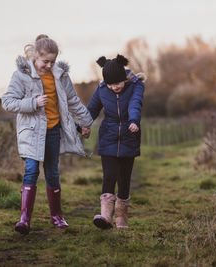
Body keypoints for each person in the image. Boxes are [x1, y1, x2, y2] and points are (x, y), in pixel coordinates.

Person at [1, 34, 93, 234]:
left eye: (52, 61)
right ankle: (24, 219)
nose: (49, 65)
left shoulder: (60, 76)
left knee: (52, 172)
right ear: (35, 56)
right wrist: (33, 103)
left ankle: (57, 217)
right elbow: (8, 102)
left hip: (53, 131)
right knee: (32, 170)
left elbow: (73, 102)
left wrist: (86, 122)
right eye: (45, 61)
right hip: (31, 133)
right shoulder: (21, 76)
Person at [83, 54, 145, 229]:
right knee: (109, 175)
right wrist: (83, 126)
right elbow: (92, 109)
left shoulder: (136, 86)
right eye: (110, 84)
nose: (114, 87)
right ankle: (105, 217)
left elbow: (135, 103)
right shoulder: (102, 89)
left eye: (117, 83)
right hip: (108, 137)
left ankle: (121, 218)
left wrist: (133, 121)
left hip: (129, 135)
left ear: (124, 78)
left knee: (124, 179)